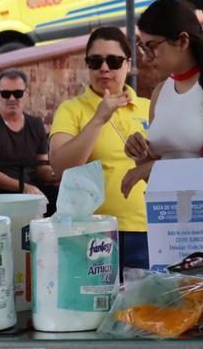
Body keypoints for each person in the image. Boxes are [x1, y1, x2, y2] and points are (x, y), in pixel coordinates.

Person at [120, 0, 203, 196]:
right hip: (170, 215)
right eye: (142, 47)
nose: (146, 57)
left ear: (182, 41)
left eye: (151, 47)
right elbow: (155, 177)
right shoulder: (160, 91)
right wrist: (140, 154)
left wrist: (153, 167)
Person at [49, 27, 151, 269]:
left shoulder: (148, 106)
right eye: (96, 61)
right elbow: (61, 166)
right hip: (94, 231)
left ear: (128, 64)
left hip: (147, 227)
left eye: (113, 61)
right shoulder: (72, 109)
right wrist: (98, 119)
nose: (104, 68)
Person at [0, 69, 59, 212]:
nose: (11, 98)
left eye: (18, 93)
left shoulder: (35, 124)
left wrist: (58, 175)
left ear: (26, 94)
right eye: (5, 93)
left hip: (30, 191)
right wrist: (24, 187)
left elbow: (42, 168)